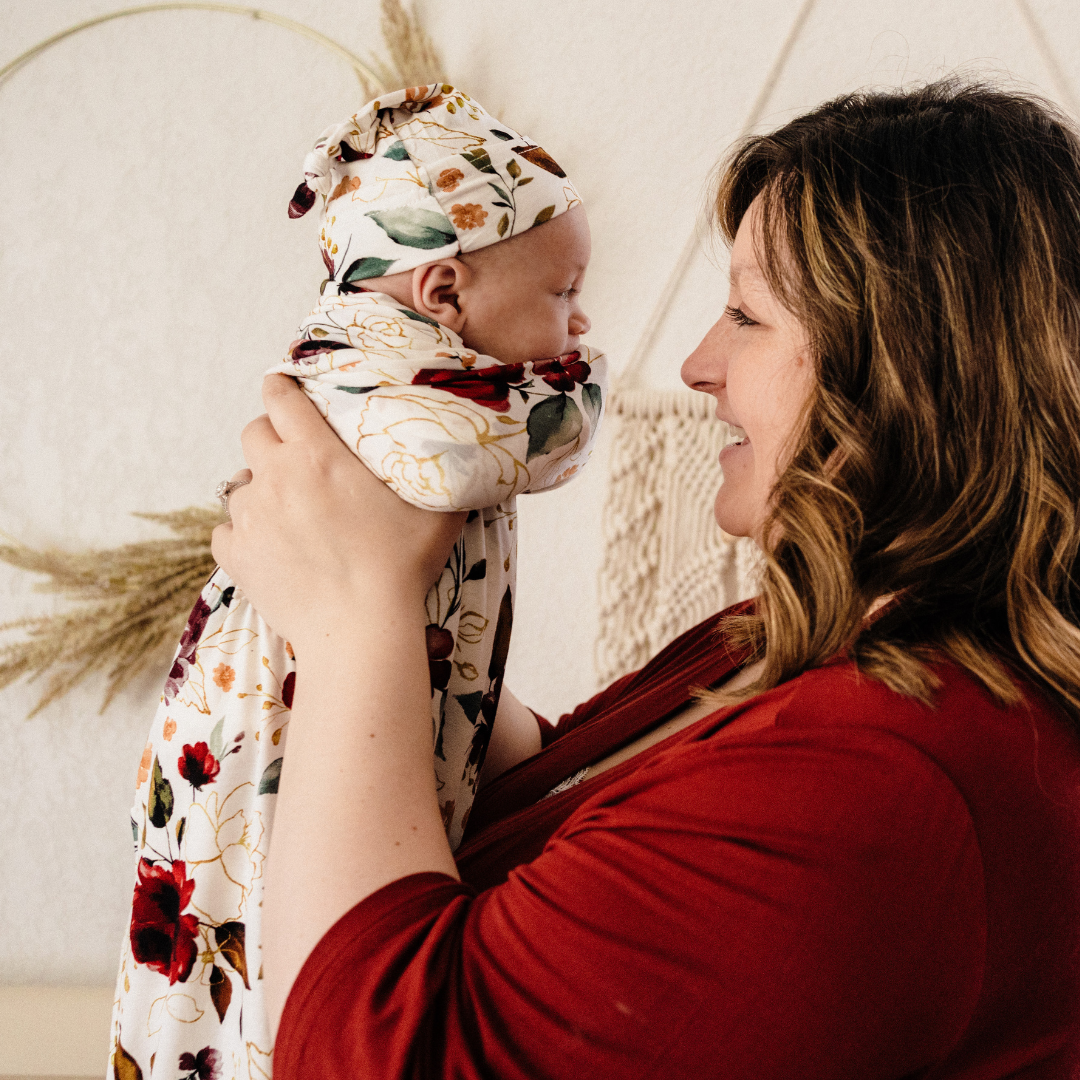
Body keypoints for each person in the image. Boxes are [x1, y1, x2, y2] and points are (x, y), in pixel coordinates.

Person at [212, 80, 1080, 1077]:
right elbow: (563, 804)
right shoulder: (785, 643)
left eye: (746, 316)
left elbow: (378, 1057)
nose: (698, 363)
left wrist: (351, 623)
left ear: (899, 372)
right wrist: (406, 589)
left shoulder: (878, 791)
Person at [109, 84, 606, 1077]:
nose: (583, 323)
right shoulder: (375, 371)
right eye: (562, 294)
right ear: (444, 294)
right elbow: (452, 464)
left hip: (364, 673)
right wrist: (580, 394)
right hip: (274, 707)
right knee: (251, 929)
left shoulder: (444, 375)